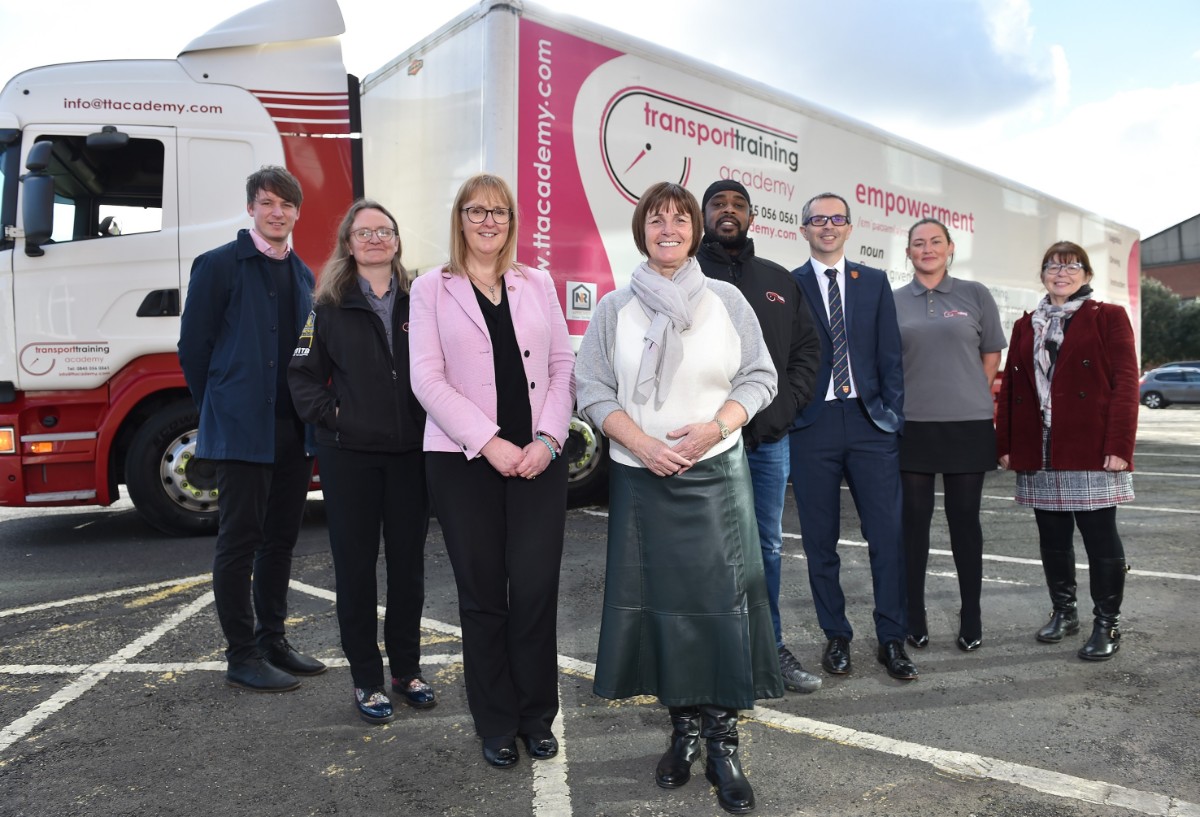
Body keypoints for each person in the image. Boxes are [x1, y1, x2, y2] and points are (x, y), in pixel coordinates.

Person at [576, 181, 781, 815]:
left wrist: (716, 427)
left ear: (694, 230)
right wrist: (640, 444)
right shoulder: (615, 307)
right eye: (657, 219)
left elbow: (760, 376)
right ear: (642, 230)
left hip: (715, 474)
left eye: (680, 219)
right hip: (642, 477)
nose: (670, 228)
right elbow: (590, 386)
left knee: (719, 608)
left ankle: (723, 742)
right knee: (662, 608)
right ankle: (682, 733)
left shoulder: (726, 300)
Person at [409, 173, 575, 767]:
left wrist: (549, 440)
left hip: (538, 461)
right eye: (476, 211)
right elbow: (427, 379)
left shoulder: (538, 283)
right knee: (483, 598)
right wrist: (491, 442)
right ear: (460, 219)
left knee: (534, 591)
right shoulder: (431, 286)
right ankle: (496, 722)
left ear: (511, 220)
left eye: (499, 212)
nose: (488, 221)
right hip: (462, 462)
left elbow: (561, 366)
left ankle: (536, 714)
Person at [178, 166, 326, 692]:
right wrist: (219, 404)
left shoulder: (304, 276)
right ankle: (241, 655)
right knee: (238, 542)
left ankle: (272, 641)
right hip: (242, 429)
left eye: (286, 205)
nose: (277, 212)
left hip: (291, 431)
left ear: (297, 213)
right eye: (267, 203)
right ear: (252, 208)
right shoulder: (218, 265)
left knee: (280, 540)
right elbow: (193, 349)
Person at [288, 199, 435, 724]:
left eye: (385, 231)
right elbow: (301, 380)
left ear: (397, 242)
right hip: (349, 456)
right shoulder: (326, 305)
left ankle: (407, 670)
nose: (375, 239)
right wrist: (338, 418)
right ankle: (367, 679)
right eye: (364, 231)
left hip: (411, 457)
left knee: (409, 571)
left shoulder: (423, 300)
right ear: (348, 243)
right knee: (355, 572)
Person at [696, 179, 822, 694]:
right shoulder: (686, 275)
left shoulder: (777, 280)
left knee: (765, 547)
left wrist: (782, 409)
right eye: (717, 205)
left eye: (738, 205)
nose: (728, 211)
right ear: (702, 215)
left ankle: (767, 646)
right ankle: (709, 654)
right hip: (702, 444)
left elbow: (808, 352)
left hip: (768, 442)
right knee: (703, 550)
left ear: (752, 217)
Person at [788, 192, 917, 682]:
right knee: (820, 542)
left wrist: (892, 416)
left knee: (886, 536)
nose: (827, 226)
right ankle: (836, 636)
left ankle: (891, 639)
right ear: (803, 230)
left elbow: (890, 358)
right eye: (817, 220)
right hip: (812, 427)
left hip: (870, 425)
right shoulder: (791, 284)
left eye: (836, 219)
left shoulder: (875, 282)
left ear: (848, 228)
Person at [996, 241, 1137, 661]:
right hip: (1039, 447)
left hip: (1090, 445)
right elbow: (1012, 390)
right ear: (1042, 275)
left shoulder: (1108, 317)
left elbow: (1127, 384)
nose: (1062, 273)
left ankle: (1107, 622)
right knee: (1053, 538)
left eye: (1072, 266)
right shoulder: (1026, 324)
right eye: (1053, 267)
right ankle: (1065, 612)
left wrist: (1119, 446)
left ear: (1087, 275)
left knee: (1100, 538)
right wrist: (1005, 444)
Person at [894, 218, 1006, 652]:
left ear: (950, 248)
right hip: (912, 426)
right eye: (918, 244)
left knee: (965, 525)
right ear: (907, 253)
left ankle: (971, 615)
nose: (927, 249)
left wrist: (967, 392)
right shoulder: (894, 300)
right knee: (914, 527)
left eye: (935, 242)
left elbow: (991, 353)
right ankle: (914, 615)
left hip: (967, 424)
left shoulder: (975, 294)